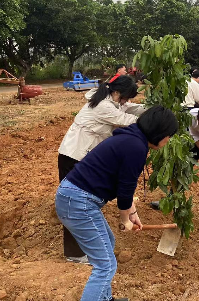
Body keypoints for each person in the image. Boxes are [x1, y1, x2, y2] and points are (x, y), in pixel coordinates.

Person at [55, 106, 178, 301]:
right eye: (168, 136)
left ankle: (105, 299)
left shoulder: (132, 139)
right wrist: (125, 219)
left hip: (74, 198)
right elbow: (125, 189)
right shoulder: (136, 147)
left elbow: (123, 184)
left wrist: (133, 213)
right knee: (106, 266)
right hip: (78, 202)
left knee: (108, 244)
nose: (168, 140)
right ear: (159, 132)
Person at [57, 75, 145, 264]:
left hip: (80, 155)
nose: (126, 102)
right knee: (75, 207)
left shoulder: (108, 99)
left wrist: (151, 107)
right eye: (125, 97)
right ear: (116, 92)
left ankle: (87, 250)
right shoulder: (103, 106)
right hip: (73, 155)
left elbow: (129, 108)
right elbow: (126, 118)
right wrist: (152, 120)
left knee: (82, 207)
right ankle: (74, 253)